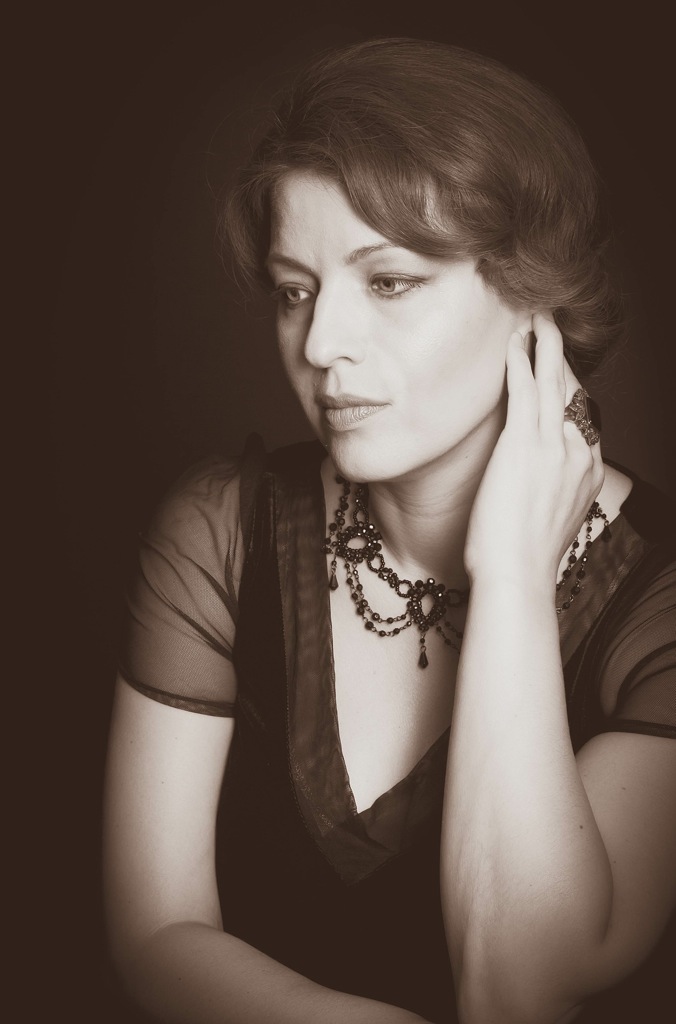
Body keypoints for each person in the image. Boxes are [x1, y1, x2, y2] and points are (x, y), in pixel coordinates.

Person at [103, 38, 676, 1024]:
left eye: (390, 281)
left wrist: (511, 576)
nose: (321, 344)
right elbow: (155, 938)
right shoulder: (220, 530)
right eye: (295, 290)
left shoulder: (658, 602)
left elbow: (517, 987)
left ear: (533, 293)